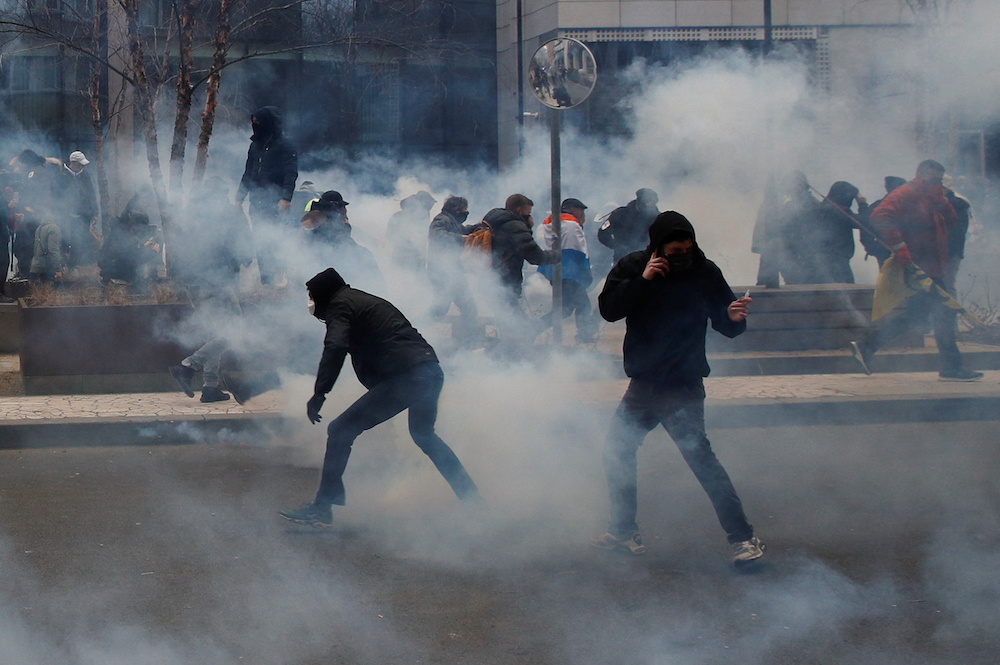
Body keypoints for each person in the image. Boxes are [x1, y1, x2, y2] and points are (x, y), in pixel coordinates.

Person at [593, 211, 765, 565]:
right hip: (644, 384)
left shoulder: (705, 271)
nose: (683, 256)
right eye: (674, 251)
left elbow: (725, 320)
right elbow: (609, 310)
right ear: (658, 248)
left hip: (682, 384)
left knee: (701, 459)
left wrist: (734, 319)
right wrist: (641, 281)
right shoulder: (633, 266)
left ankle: (744, 539)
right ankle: (624, 532)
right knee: (617, 450)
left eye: (688, 248)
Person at [278, 267, 484, 528]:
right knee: (424, 435)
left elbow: (336, 347)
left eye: (311, 295)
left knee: (340, 430)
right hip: (429, 371)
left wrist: (320, 393)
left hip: (407, 378)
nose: (310, 302)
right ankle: (473, 501)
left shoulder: (340, 306)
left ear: (323, 294)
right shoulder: (359, 300)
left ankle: (322, 508)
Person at [850, 160, 982, 382]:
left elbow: (951, 222)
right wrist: (900, 246)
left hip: (932, 266)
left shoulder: (933, 197)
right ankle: (951, 367)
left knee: (916, 316)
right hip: (920, 267)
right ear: (920, 175)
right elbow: (880, 215)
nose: (937, 183)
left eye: (940, 180)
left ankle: (866, 346)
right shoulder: (905, 193)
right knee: (944, 312)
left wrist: (941, 199)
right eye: (933, 179)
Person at [168, 177, 255, 403]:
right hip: (217, 279)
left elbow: (177, 244)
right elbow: (244, 245)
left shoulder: (189, 213)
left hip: (192, 280)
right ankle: (187, 366)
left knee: (214, 332)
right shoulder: (230, 214)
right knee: (235, 331)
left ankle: (210, 387)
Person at [483, 194, 560, 354]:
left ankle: (504, 359)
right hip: (506, 282)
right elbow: (534, 255)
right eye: (528, 213)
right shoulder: (515, 225)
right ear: (519, 210)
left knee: (512, 326)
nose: (530, 216)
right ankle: (501, 360)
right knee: (518, 329)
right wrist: (556, 256)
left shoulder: (492, 220)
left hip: (490, 281)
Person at [235, 106, 298, 285]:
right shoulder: (255, 145)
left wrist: (286, 197)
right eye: (254, 123)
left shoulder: (286, 146)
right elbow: (248, 172)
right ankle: (267, 281)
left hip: (276, 202)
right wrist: (240, 196)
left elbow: (290, 173)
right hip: (257, 201)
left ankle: (282, 278)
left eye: (259, 123)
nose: (256, 126)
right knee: (261, 239)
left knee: (276, 240)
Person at [537, 197, 599, 343]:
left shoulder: (551, 221)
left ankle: (534, 328)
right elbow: (577, 250)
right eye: (581, 210)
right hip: (568, 271)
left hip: (555, 269)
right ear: (572, 209)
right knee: (581, 305)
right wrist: (583, 270)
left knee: (566, 308)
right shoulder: (571, 224)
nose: (582, 214)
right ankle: (584, 335)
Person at [300, 190, 385, 294]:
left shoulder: (333, 219)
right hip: (329, 258)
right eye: (342, 206)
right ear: (335, 205)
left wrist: (372, 240)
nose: (344, 209)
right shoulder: (319, 219)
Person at [427, 195, 483, 344]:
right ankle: (415, 328)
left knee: (462, 307)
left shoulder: (450, 220)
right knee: (445, 309)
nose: (466, 213)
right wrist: (466, 239)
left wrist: (476, 227)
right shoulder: (441, 220)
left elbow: (463, 230)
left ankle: (467, 342)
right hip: (443, 272)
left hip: (451, 271)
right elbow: (439, 235)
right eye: (465, 210)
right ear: (457, 210)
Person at [804, 181, 866, 284]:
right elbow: (863, 223)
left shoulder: (819, 208)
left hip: (815, 262)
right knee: (847, 293)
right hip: (837, 264)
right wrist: (863, 204)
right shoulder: (838, 211)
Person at [58, 150, 100, 269]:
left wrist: (95, 212)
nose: (82, 166)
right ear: (73, 162)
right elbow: (56, 195)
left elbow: (92, 194)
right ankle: (63, 266)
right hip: (66, 215)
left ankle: (74, 266)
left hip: (83, 215)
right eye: (80, 163)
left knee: (80, 241)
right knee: (65, 240)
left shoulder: (85, 175)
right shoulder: (61, 175)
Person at [598, 188, 660, 265]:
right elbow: (603, 233)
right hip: (622, 261)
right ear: (640, 201)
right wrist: (616, 246)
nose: (651, 206)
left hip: (648, 262)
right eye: (648, 202)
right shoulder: (620, 214)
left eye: (653, 202)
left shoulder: (658, 218)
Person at [859, 176, 905, 266]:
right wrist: (873, 249)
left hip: (910, 251)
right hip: (885, 252)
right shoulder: (877, 207)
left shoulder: (910, 206)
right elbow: (865, 229)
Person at [387, 190, 436, 273]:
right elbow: (390, 236)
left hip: (418, 257)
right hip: (403, 257)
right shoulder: (399, 216)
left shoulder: (424, 216)